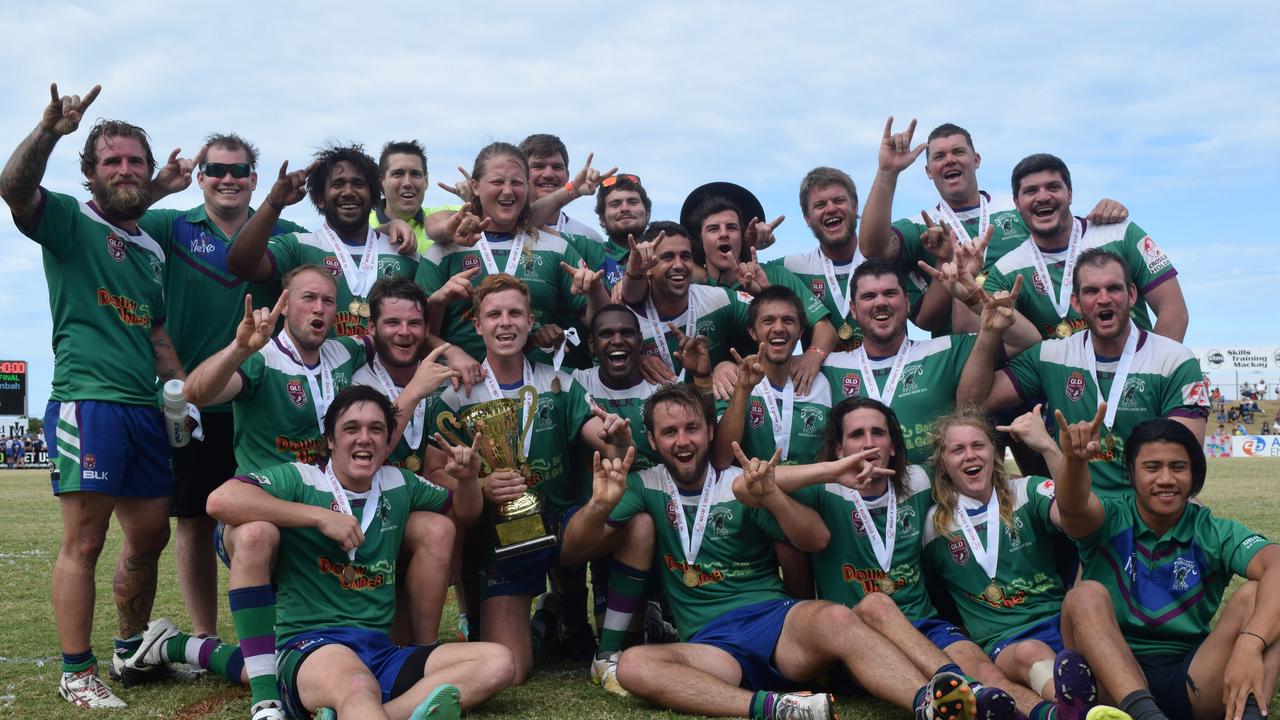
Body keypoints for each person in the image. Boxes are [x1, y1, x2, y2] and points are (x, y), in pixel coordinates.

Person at [565, 384, 998, 720]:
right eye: (670, 432)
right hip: (713, 645)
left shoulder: (741, 479)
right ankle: (776, 708)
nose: (683, 441)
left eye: (692, 428)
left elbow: (815, 540)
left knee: (834, 615)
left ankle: (927, 703)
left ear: (710, 430)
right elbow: (572, 552)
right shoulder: (646, 485)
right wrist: (601, 504)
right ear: (654, 441)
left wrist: (772, 496)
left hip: (776, 623)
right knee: (635, 666)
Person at [124, 385, 516, 720]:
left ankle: (375, 712)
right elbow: (220, 500)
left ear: (387, 439)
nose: (365, 438)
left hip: (379, 649)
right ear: (330, 440)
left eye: (377, 429)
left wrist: (467, 482)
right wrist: (315, 517)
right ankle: (342, 703)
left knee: (499, 662)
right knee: (356, 684)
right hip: (311, 647)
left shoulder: (400, 482)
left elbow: (463, 514)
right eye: (352, 429)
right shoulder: (301, 477)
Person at [0, 83, 202, 707]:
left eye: (134, 161)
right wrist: (48, 133)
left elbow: (157, 329)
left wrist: (181, 393)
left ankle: (129, 647)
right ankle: (75, 670)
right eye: (111, 161)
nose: (124, 170)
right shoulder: (68, 219)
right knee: (84, 542)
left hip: (146, 411)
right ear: (89, 172)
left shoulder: (149, 249)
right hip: (90, 402)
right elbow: (13, 188)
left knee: (149, 538)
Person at [776, 396, 1103, 719]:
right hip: (862, 635)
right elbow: (752, 484)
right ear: (838, 448)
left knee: (982, 671)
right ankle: (966, 692)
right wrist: (831, 471)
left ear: (893, 445)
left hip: (927, 627)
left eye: (878, 432)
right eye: (856, 435)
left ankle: (1047, 714)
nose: (868, 443)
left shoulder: (918, 484)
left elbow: (1072, 514)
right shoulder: (827, 491)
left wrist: (1047, 449)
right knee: (878, 604)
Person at [425, 273, 631, 684]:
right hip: (503, 539)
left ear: (530, 320)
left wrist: (612, 438)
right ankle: (545, 621)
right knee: (513, 670)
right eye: (494, 314)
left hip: (562, 525)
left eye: (515, 313)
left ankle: (614, 628)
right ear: (477, 324)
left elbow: (598, 435)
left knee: (634, 520)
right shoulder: (452, 396)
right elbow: (433, 472)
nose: (506, 323)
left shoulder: (559, 382)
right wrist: (479, 486)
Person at [143, 131, 307, 642]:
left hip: (263, 403)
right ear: (201, 177)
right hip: (192, 400)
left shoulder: (287, 230)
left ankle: (286, 629)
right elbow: (113, 218)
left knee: (276, 519)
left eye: (239, 171)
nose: (228, 179)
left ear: (256, 180)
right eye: (216, 170)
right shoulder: (169, 224)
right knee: (192, 517)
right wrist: (156, 188)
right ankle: (205, 634)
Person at [1054, 415, 1280, 720]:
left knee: (1260, 596)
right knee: (1083, 596)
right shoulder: (1111, 518)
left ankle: (1251, 714)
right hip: (1114, 679)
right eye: (1151, 467)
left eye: (1178, 467)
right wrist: (1074, 462)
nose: (1166, 479)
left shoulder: (1211, 530)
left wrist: (1251, 642)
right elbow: (1074, 508)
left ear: (1195, 473)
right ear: (1131, 473)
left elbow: (1275, 563)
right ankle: (1145, 715)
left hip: (1195, 678)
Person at [959, 249, 1209, 497]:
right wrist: (989, 333)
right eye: (1091, 291)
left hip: (1149, 512)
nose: (1104, 299)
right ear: (1076, 303)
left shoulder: (1175, 360)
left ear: (1132, 294)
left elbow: (1183, 462)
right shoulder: (1051, 356)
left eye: (1113, 288)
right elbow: (971, 402)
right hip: (1080, 513)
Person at [921, 405, 1116, 714]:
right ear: (943, 462)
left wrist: (1050, 448)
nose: (969, 455)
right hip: (1006, 642)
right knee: (1029, 652)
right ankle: (1076, 705)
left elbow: (1076, 517)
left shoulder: (1026, 490)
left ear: (994, 452)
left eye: (978, 445)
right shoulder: (934, 525)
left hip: (1060, 621)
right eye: (957, 450)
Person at [858, 119, 1129, 335]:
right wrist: (887, 172)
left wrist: (1107, 210)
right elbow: (872, 248)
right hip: (966, 355)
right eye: (939, 156)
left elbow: (1066, 229)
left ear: (976, 160)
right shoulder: (920, 226)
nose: (949, 160)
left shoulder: (1017, 208)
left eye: (958, 152)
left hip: (1029, 344)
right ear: (928, 171)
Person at [820, 258, 1031, 466]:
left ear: (907, 302)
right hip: (862, 495)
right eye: (869, 296)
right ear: (854, 310)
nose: (881, 302)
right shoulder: (829, 367)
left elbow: (1026, 339)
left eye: (890, 293)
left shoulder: (945, 350)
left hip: (939, 496)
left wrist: (973, 299)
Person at [414, 142, 611, 363]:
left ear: (527, 187)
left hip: (536, 390)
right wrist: (451, 349)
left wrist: (595, 292)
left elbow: (605, 322)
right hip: (463, 388)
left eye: (517, 182)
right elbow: (414, 331)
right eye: (497, 182)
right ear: (475, 186)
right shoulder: (444, 250)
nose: (507, 191)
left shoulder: (555, 247)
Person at [352, 277, 468, 645]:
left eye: (414, 323)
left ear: (426, 328)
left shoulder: (443, 383)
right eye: (392, 323)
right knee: (380, 644)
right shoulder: (355, 381)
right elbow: (370, 458)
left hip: (411, 509)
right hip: (360, 514)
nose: (404, 333)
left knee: (441, 529)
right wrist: (414, 392)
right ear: (371, 328)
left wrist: (459, 539)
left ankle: (425, 651)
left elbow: (439, 473)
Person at [982, 154, 1187, 342]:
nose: (1043, 197)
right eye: (1031, 191)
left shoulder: (1122, 234)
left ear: (1070, 194)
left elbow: (1174, 310)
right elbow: (982, 335)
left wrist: (1158, 372)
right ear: (1016, 203)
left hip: (1135, 375)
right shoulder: (1006, 270)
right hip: (1062, 381)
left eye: (1053, 187)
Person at [226, 143, 420, 339]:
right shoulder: (299, 246)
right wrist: (274, 203)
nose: (348, 192)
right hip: (316, 370)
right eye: (337, 184)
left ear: (373, 196)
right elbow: (240, 264)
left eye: (358, 184)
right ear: (319, 198)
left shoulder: (403, 251)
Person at [681, 182, 837, 394]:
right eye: (713, 229)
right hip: (707, 396)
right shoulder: (690, 284)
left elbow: (825, 329)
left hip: (771, 394)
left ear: (743, 237)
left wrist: (812, 356)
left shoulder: (775, 275)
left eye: (732, 227)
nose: (724, 234)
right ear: (699, 240)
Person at [712, 287, 834, 467]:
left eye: (788, 320)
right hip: (750, 491)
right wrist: (743, 391)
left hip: (808, 493)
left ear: (800, 331)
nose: (778, 328)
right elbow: (721, 459)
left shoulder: (820, 383)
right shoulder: (733, 380)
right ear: (752, 331)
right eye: (768, 321)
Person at [621, 222, 754, 385]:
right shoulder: (626, 319)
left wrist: (725, 364)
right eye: (667, 257)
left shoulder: (719, 300)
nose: (678, 265)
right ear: (647, 267)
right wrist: (632, 359)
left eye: (685, 256)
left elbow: (774, 319)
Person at [770, 167, 869, 353]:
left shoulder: (884, 258)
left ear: (855, 206)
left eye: (839, 200)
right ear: (807, 217)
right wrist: (752, 244)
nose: (831, 208)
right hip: (819, 381)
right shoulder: (793, 268)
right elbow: (741, 273)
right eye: (820, 205)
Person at [370, 140, 461, 255]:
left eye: (415, 174)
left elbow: (483, 217)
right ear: (381, 182)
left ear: (426, 181)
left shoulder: (444, 217)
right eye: (398, 174)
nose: (407, 183)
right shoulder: (363, 225)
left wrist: (473, 199)